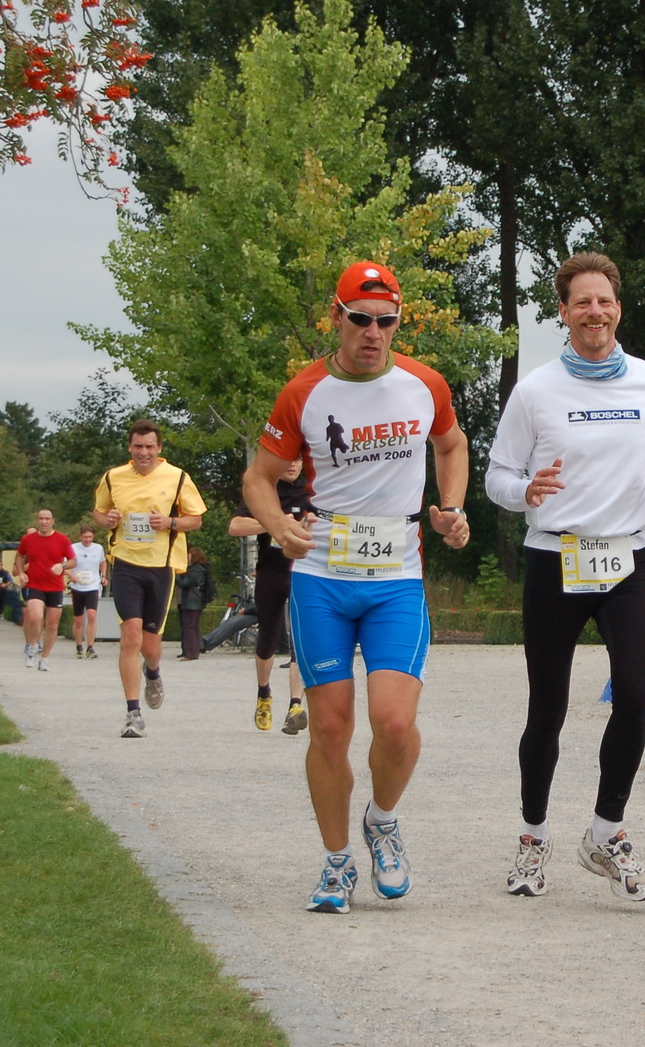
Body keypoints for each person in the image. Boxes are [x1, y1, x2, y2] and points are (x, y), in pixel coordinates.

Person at [244, 260, 471, 915]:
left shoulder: (424, 384)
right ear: (336, 318)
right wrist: (279, 526)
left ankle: (383, 818)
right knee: (330, 731)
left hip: (396, 575)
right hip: (322, 577)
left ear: (399, 321)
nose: (373, 333)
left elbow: (451, 445)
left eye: (386, 321)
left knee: (395, 725)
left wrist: (451, 507)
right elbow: (258, 477)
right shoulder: (304, 392)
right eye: (361, 319)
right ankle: (338, 861)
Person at [485, 251, 645, 901]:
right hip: (555, 556)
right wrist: (525, 491)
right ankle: (532, 839)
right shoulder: (537, 390)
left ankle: (605, 833)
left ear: (618, 307)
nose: (594, 312)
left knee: (633, 694)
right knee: (548, 707)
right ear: (563, 312)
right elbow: (498, 477)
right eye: (582, 302)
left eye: (604, 301)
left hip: (629, 558)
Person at [93, 420, 208, 739]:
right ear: (129, 448)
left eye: (149, 447)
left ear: (159, 448)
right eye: (138, 446)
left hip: (161, 565)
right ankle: (133, 713)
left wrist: (170, 521)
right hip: (126, 562)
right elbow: (99, 514)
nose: (143, 452)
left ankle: (153, 672)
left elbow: (195, 519)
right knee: (130, 636)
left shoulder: (177, 477)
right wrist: (108, 519)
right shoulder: (113, 477)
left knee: (150, 645)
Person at [228, 457, 310, 733]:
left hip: (304, 571)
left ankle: (295, 705)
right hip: (272, 570)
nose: (292, 465)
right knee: (269, 637)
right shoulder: (266, 490)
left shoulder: (313, 490)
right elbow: (235, 526)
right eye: (286, 459)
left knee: (302, 637)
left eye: (298, 460)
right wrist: (273, 524)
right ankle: (264, 694)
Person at [16, 509, 76, 672]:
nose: (44, 522)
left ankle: (45, 658)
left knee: (52, 624)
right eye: (41, 519)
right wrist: (21, 573)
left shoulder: (62, 539)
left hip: (55, 586)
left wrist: (62, 565)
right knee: (35, 617)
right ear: (38, 521)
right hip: (35, 584)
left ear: (52, 521)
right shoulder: (28, 539)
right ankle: (33, 646)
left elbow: (73, 561)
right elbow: (20, 556)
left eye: (47, 519)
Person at [69, 527, 108, 659]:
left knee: (92, 615)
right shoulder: (73, 548)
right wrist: (71, 576)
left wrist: (103, 576)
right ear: (80, 537)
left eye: (90, 537)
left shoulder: (98, 548)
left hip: (93, 586)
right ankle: (79, 645)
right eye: (85, 537)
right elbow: (64, 565)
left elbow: (103, 562)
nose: (87, 540)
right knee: (79, 620)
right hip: (77, 586)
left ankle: (90, 646)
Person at [175, 547, 214, 660]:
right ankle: (194, 650)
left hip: (192, 601)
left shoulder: (195, 570)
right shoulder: (201, 569)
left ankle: (191, 653)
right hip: (196, 601)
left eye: (189, 555)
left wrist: (177, 575)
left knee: (189, 627)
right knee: (193, 626)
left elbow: (185, 583)